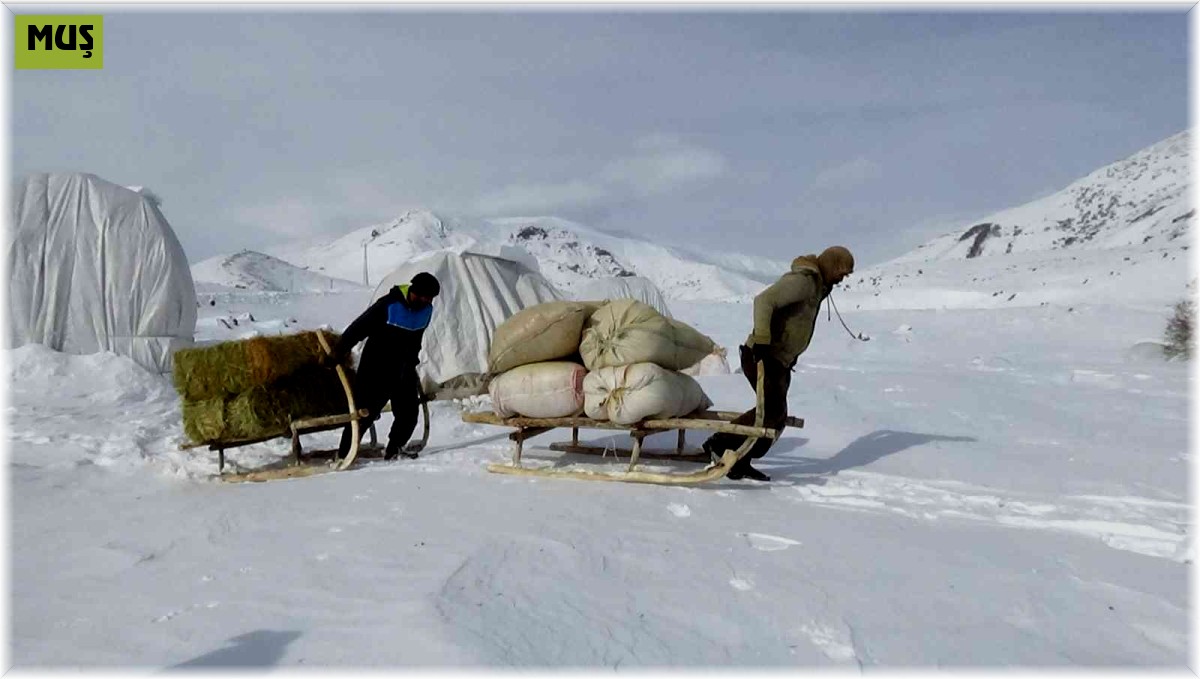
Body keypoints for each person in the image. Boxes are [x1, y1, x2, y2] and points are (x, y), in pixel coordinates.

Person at [702, 246, 855, 481]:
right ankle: (720, 443)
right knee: (770, 411)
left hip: (779, 361)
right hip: (762, 355)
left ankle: (741, 456)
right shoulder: (803, 282)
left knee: (776, 414)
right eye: (841, 274)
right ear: (832, 266)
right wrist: (762, 340)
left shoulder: (817, 288)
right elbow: (764, 301)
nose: (841, 280)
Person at [325, 272, 440, 461]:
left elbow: (416, 339)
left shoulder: (426, 311)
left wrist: (412, 361)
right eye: (423, 297)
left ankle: (394, 448)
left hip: (404, 369)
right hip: (376, 368)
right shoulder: (389, 305)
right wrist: (338, 352)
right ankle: (345, 454)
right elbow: (358, 328)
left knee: (408, 413)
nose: (426, 301)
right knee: (364, 414)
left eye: (430, 298)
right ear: (414, 291)